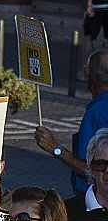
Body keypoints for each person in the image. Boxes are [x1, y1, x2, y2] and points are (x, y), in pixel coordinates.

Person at [35, 49, 108, 196]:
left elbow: (90, 170)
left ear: (87, 72)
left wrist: (55, 148)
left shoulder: (97, 112)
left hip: (94, 200)